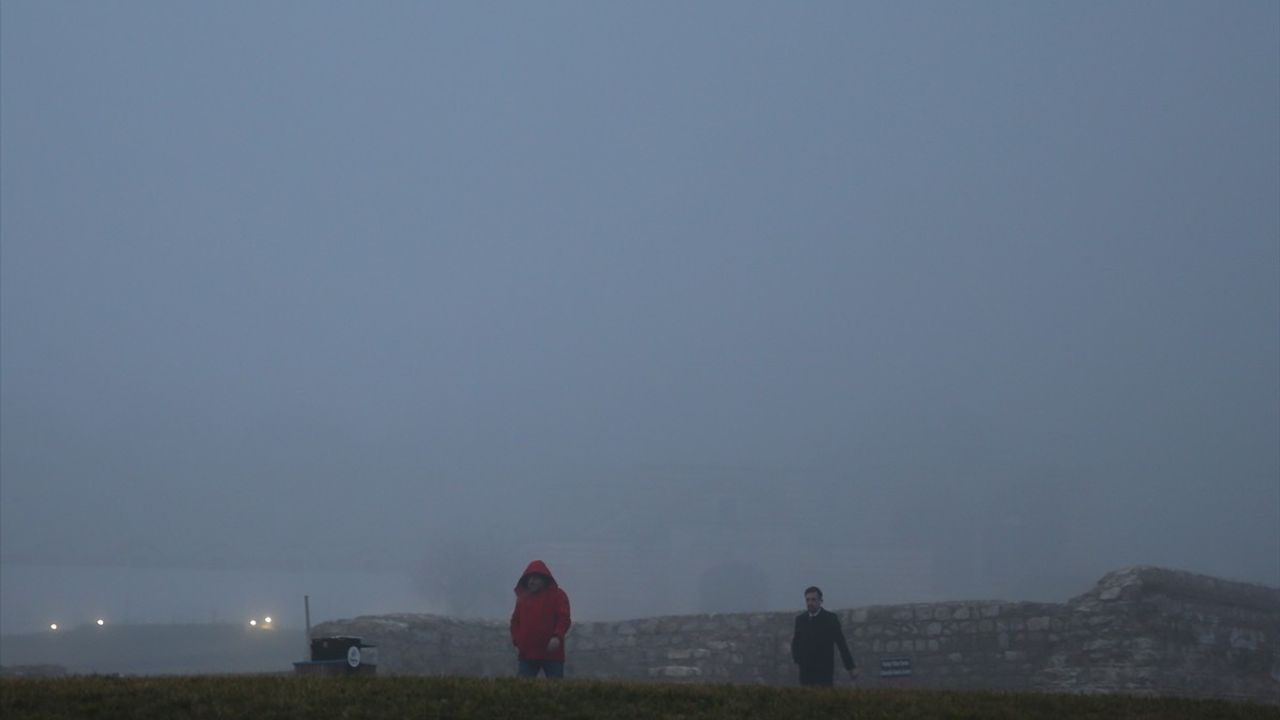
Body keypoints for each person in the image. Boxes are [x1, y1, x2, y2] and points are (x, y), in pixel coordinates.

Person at [510, 559, 571, 678]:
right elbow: (515, 622)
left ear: (544, 579)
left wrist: (557, 637)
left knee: (556, 691)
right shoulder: (523, 599)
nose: (531, 581)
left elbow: (564, 618)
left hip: (552, 655)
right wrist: (517, 640)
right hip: (527, 654)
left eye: (535, 578)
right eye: (529, 578)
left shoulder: (558, 596)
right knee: (522, 690)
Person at [791, 585, 858, 687]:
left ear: (820, 601)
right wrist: (798, 661)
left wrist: (850, 667)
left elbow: (841, 644)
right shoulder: (800, 620)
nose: (810, 603)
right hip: (805, 672)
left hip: (824, 671)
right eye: (808, 600)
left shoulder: (830, 619)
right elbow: (796, 642)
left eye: (813, 600)